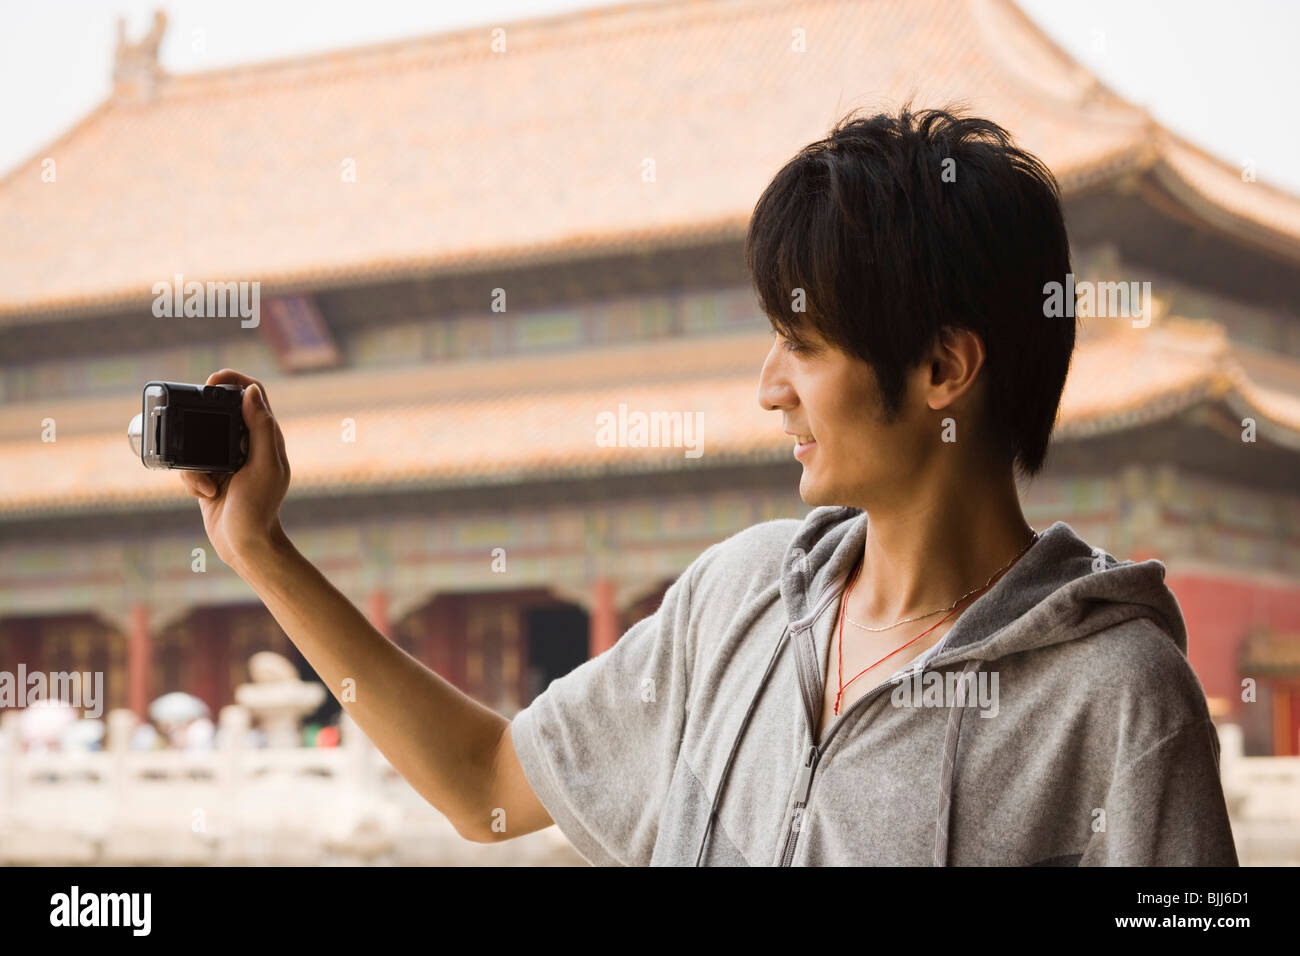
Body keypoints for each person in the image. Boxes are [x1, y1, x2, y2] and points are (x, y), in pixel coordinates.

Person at [181, 105, 1237, 866]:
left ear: (940, 369)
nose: (766, 388)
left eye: (802, 344)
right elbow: (484, 786)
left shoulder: (1117, 701)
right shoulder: (737, 597)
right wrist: (263, 550)